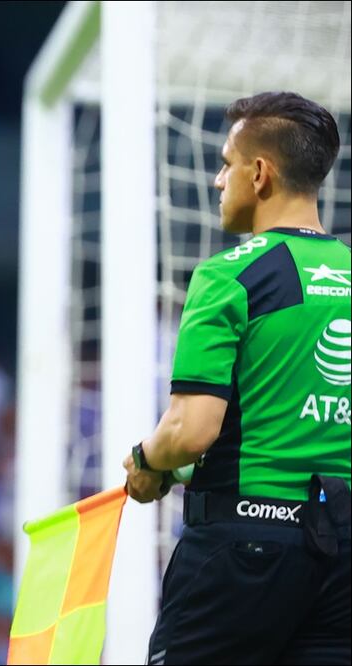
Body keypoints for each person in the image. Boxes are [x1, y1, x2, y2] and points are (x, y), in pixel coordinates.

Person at [123, 91, 350, 664]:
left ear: (260, 172)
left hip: (245, 551)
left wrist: (148, 462)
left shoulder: (231, 275)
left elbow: (191, 431)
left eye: (226, 164)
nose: (220, 180)